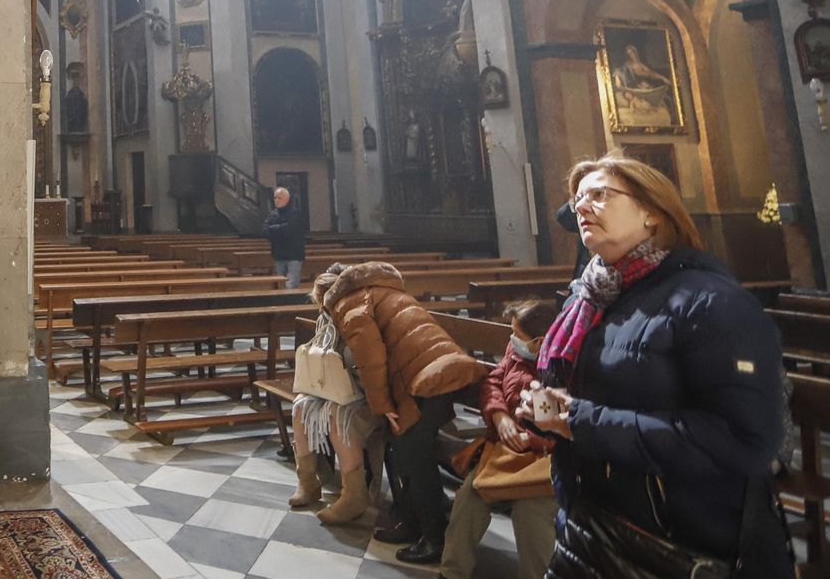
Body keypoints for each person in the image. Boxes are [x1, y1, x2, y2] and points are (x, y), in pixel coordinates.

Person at [518, 152, 792, 576]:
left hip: (681, 540)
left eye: (600, 195)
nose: (582, 207)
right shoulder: (588, 300)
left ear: (652, 213)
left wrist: (580, 420)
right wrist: (547, 416)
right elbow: (596, 400)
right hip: (594, 526)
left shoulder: (708, 301)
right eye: (578, 200)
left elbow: (743, 440)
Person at [318, 260, 486, 565]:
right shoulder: (377, 287)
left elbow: (370, 356)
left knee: (413, 457)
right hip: (433, 369)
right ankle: (411, 523)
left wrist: (382, 406)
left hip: (426, 377)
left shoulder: (347, 304)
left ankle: (434, 538)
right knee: (401, 452)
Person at [438, 299, 559, 579]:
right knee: (470, 498)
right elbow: (493, 381)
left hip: (544, 462)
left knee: (531, 512)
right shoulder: (517, 354)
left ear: (540, 342)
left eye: (519, 335)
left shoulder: (559, 369)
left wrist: (531, 441)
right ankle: (451, 573)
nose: (512, 339)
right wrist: (499, 416)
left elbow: (564, 431)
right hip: (504, 454)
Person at [287, 274, 383, 524]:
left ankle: (353, 495)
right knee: (300, 408)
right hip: (336, 390)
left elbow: (368, 366)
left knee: (337, 415)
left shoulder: (359, 319)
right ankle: (308, 481)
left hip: (366, 396)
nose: (324, 308)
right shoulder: (326, 320)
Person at [262, 186, 308, 289]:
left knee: (291, 285)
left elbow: (290, 230)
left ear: (287, 199)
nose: (276, 200)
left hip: (294, 255)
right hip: (279, 255)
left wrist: (274, 229)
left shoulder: (296, 214)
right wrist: (280, 230)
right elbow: (264, 231)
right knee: (280, 284)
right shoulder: (273, 214)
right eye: (275, 198)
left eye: (279, 198)